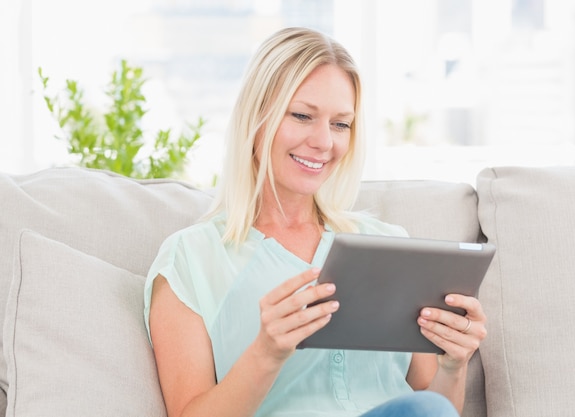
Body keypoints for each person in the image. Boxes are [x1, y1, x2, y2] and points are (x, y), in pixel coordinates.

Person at [144, 27, 487, 417]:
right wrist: (267, 353)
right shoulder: (190, 260)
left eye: (341, 124)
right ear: (256, 119)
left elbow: (433, 406)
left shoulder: (387, 246)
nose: (324, 141)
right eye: (303, 116)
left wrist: (452, 365)